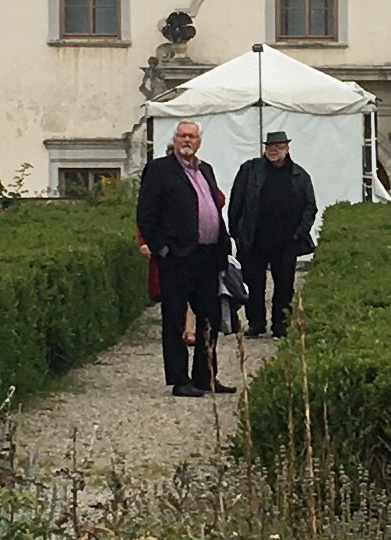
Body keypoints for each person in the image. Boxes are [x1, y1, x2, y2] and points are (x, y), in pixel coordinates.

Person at [135, 118, 233, 395]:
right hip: (177, 257)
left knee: (210, 318)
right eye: (182, 136)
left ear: (199, 141)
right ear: (175, 140)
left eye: (192, 136)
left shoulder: (207, 170)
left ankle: (205, 376)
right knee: (175, 319)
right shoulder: (159, 170)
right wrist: (162, 248)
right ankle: (180, 380)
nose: (187, 140)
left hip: (208, 255)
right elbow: (146, 214)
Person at [225, 125, 317, 338]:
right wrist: (236, 233)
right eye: (270, 146)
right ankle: (256, 323)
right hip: (253, 239)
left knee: (284, 287)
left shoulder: (299, 175)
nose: (274, 150)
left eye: (279, 146)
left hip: (286, 242)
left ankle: (281, 324)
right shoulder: (250, 170)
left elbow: (309, 207)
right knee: (253, 286)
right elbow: (236, 202)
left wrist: (299, 234)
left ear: (287, 148)